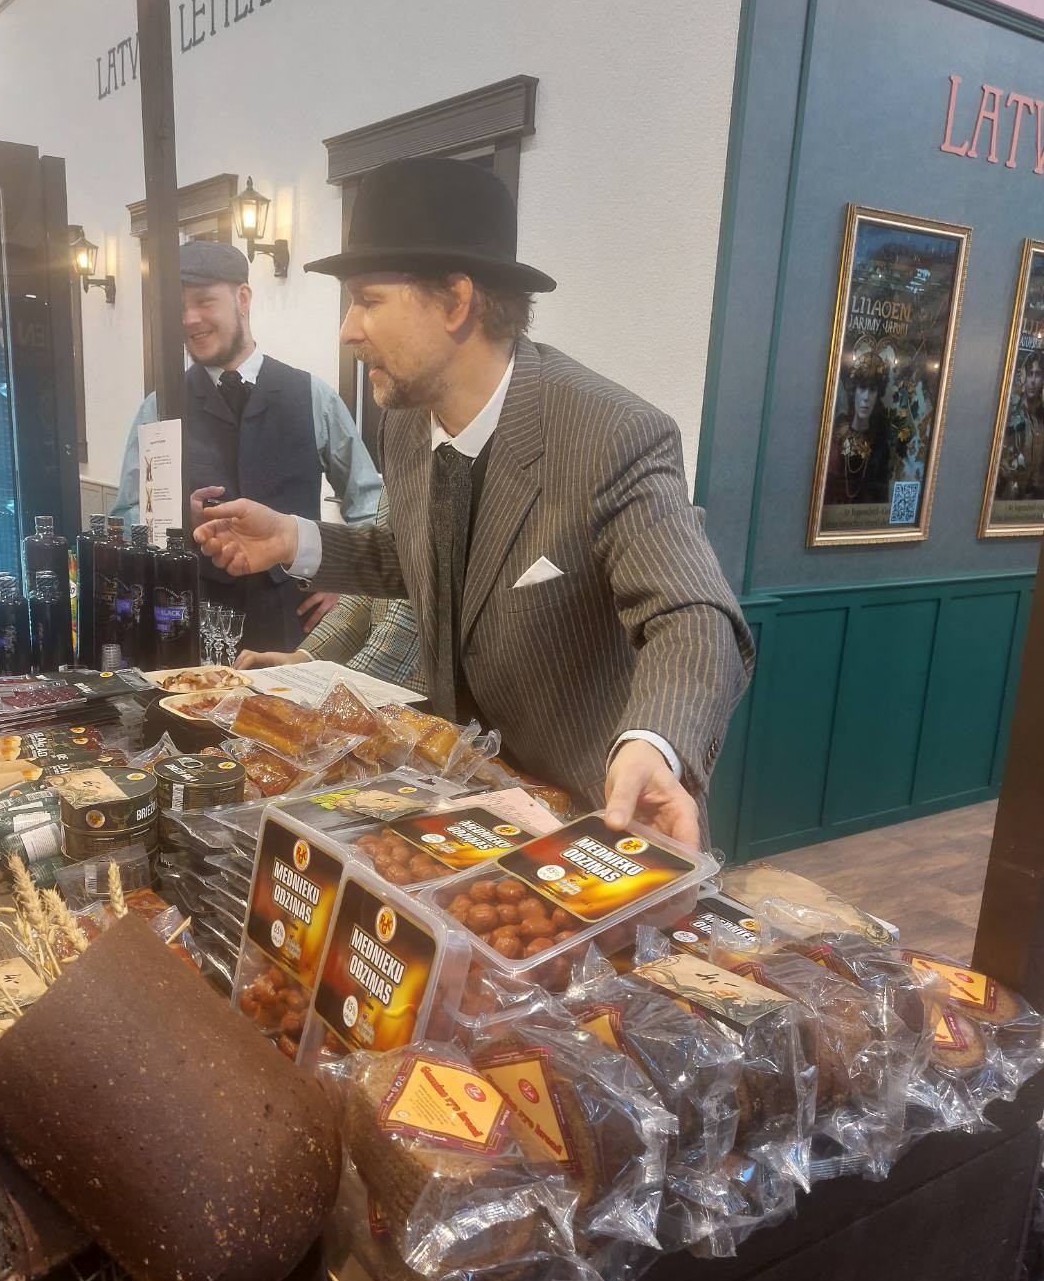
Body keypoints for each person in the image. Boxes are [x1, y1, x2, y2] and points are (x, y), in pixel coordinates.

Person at [196, 156, 753, 847]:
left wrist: (654, 742)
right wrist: (296, 540)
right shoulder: (405, 424)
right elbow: (421, 559)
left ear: (456, 301)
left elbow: (694, 615)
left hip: (598, 822)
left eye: (368, 300)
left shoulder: (611, 433)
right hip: (460, 804)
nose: (348, 329)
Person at [111, 240, 382, 651]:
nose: (189, 319)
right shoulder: (160, 408)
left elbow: (370, 502)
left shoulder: (313, 396)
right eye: (178, 307)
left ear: (242, 298)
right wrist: (175, 518)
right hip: (193, 624)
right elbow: (124, 517)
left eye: (204, 301)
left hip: (294, 625)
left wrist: (349, 584)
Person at [234, 492, 425, 693]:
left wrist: (341, 689)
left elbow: (418, 597)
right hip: (376, 685)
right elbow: (381, 573)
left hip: (421, 693)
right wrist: (306, 659)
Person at [824, 352, 892, 509]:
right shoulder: (835, 439)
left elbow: (880, 500)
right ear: (853, 391)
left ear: (878, 395)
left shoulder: (880, 447)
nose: (866, 397)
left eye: (872, 390)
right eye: (862, 388)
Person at [997, 351, 1044, 500]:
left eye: (1037, 375)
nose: (1032, 381)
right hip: (1007, 498)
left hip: (1035, 502)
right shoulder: (1010, 413)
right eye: (1029, 374)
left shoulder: (1041, 418)